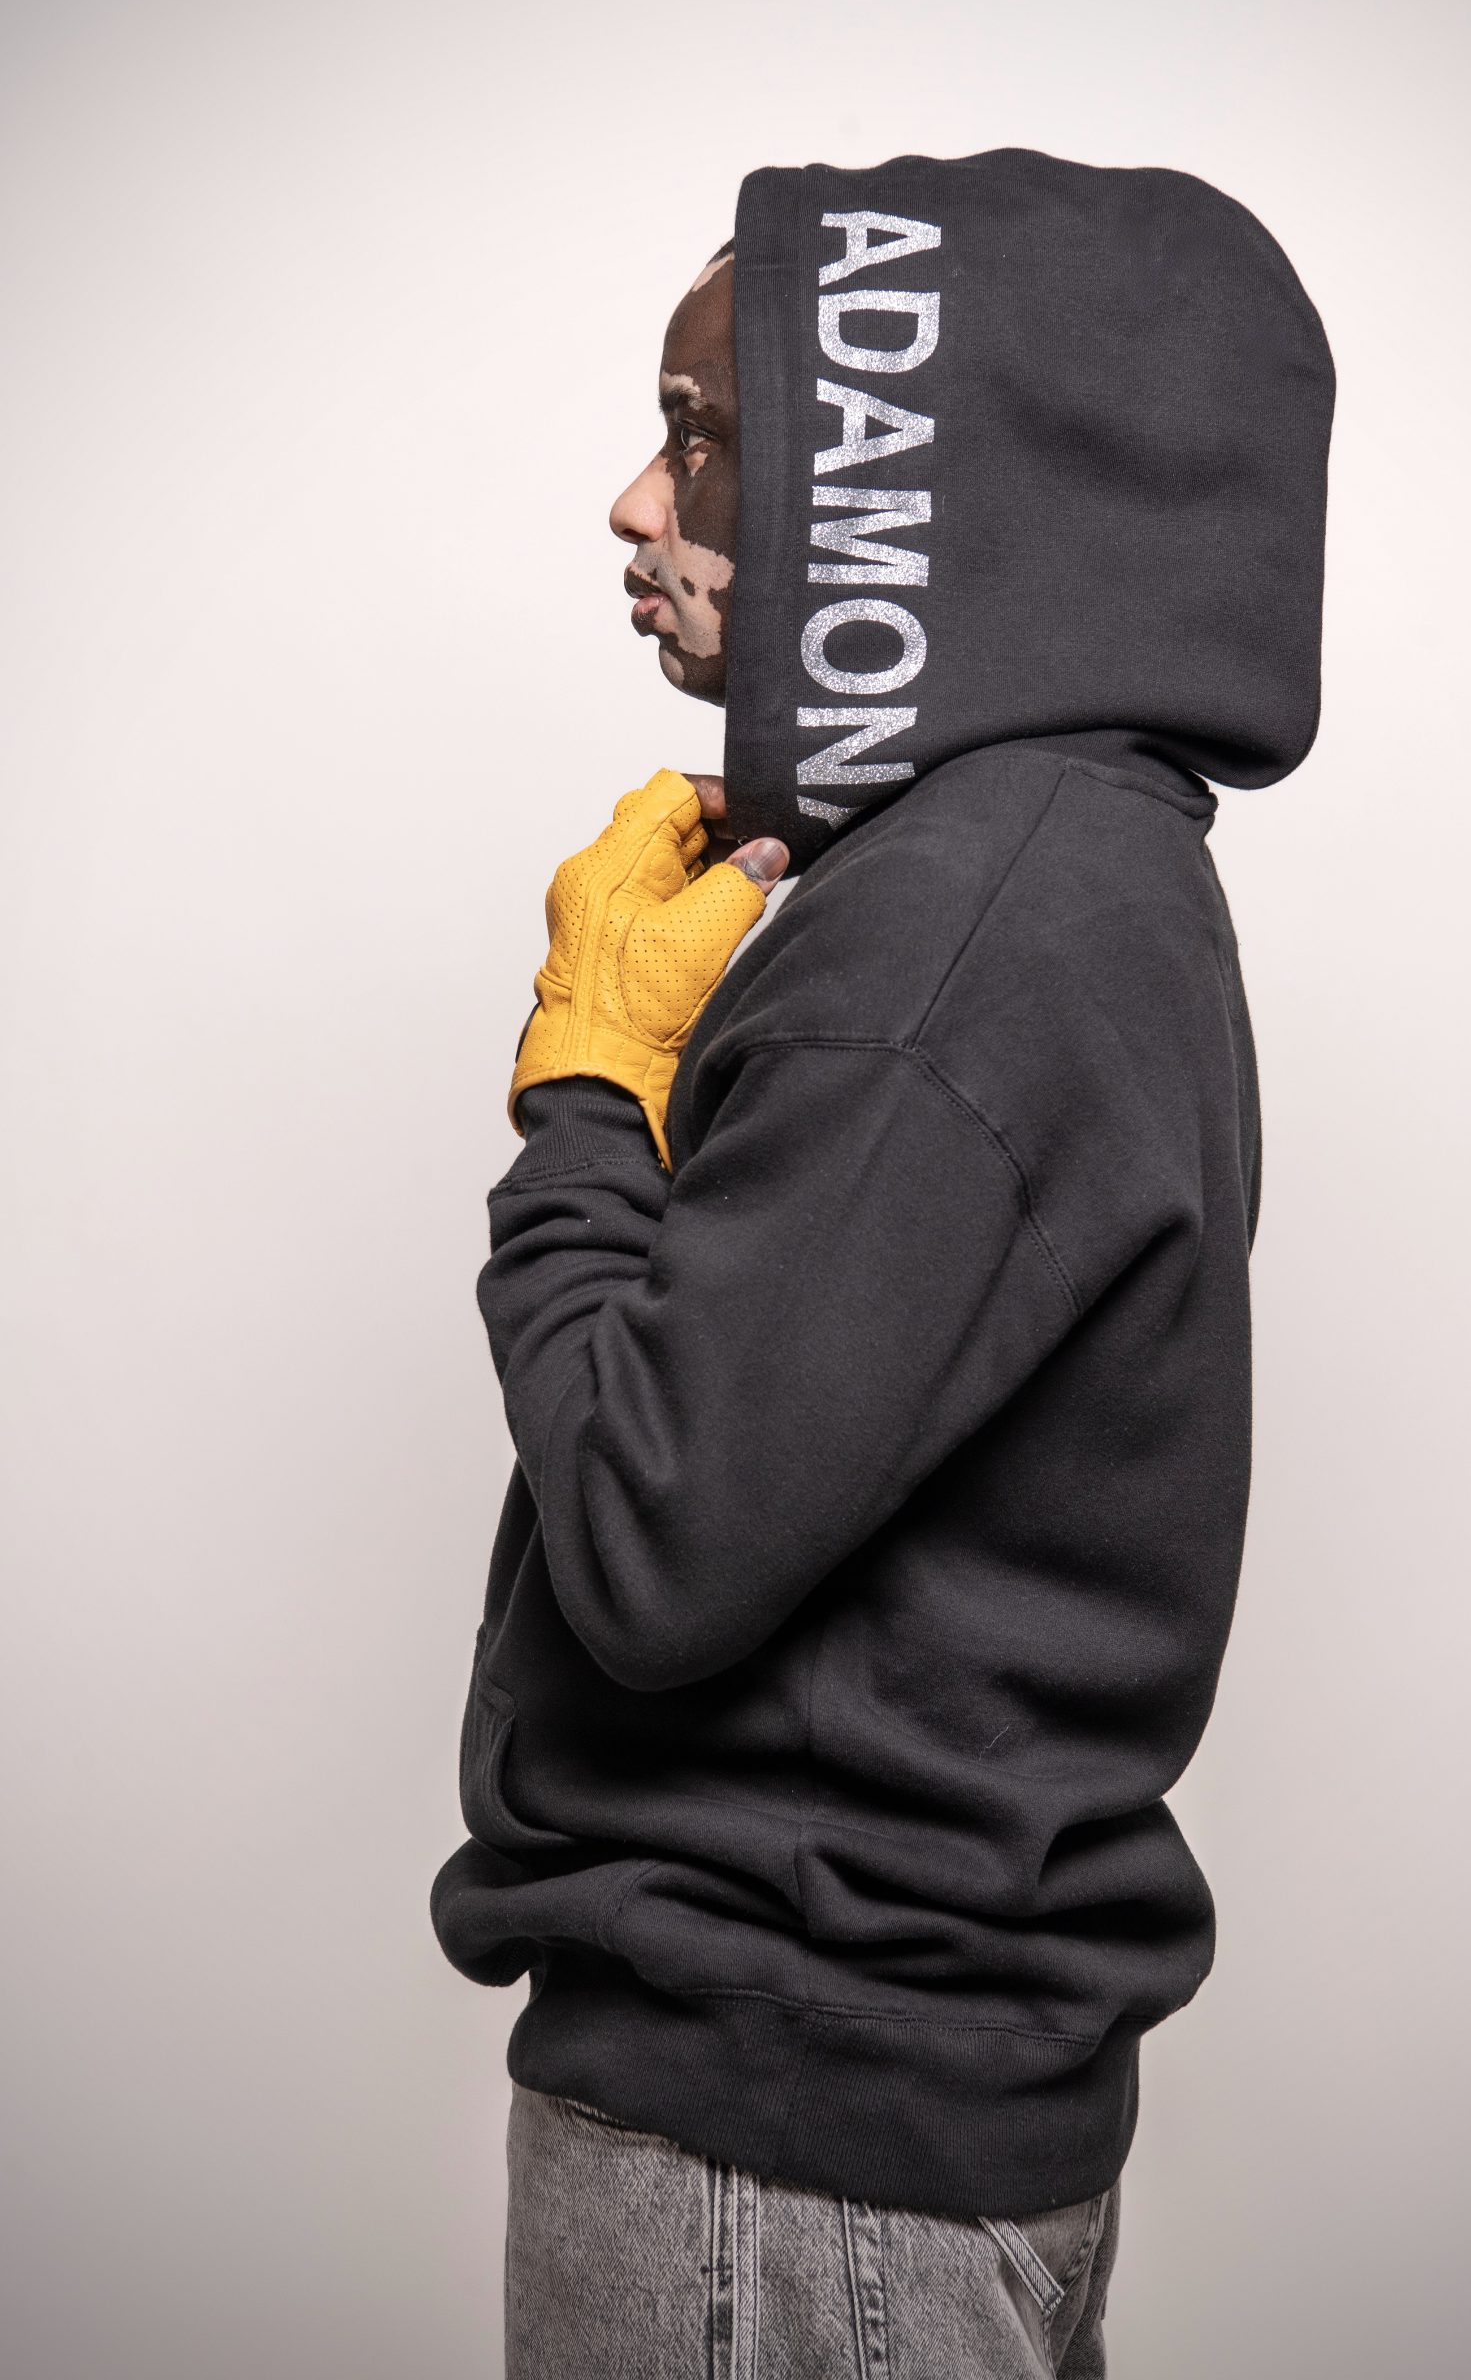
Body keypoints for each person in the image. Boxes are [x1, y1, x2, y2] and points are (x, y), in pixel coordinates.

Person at [431, 148, 1334, 2377]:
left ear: (903, 484)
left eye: (702, 436)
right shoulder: (1065, 867)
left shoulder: (960, 933)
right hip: (867, 2143)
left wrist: (590, 1074)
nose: (636, 503)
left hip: (781, 2159)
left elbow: (647, 1540)